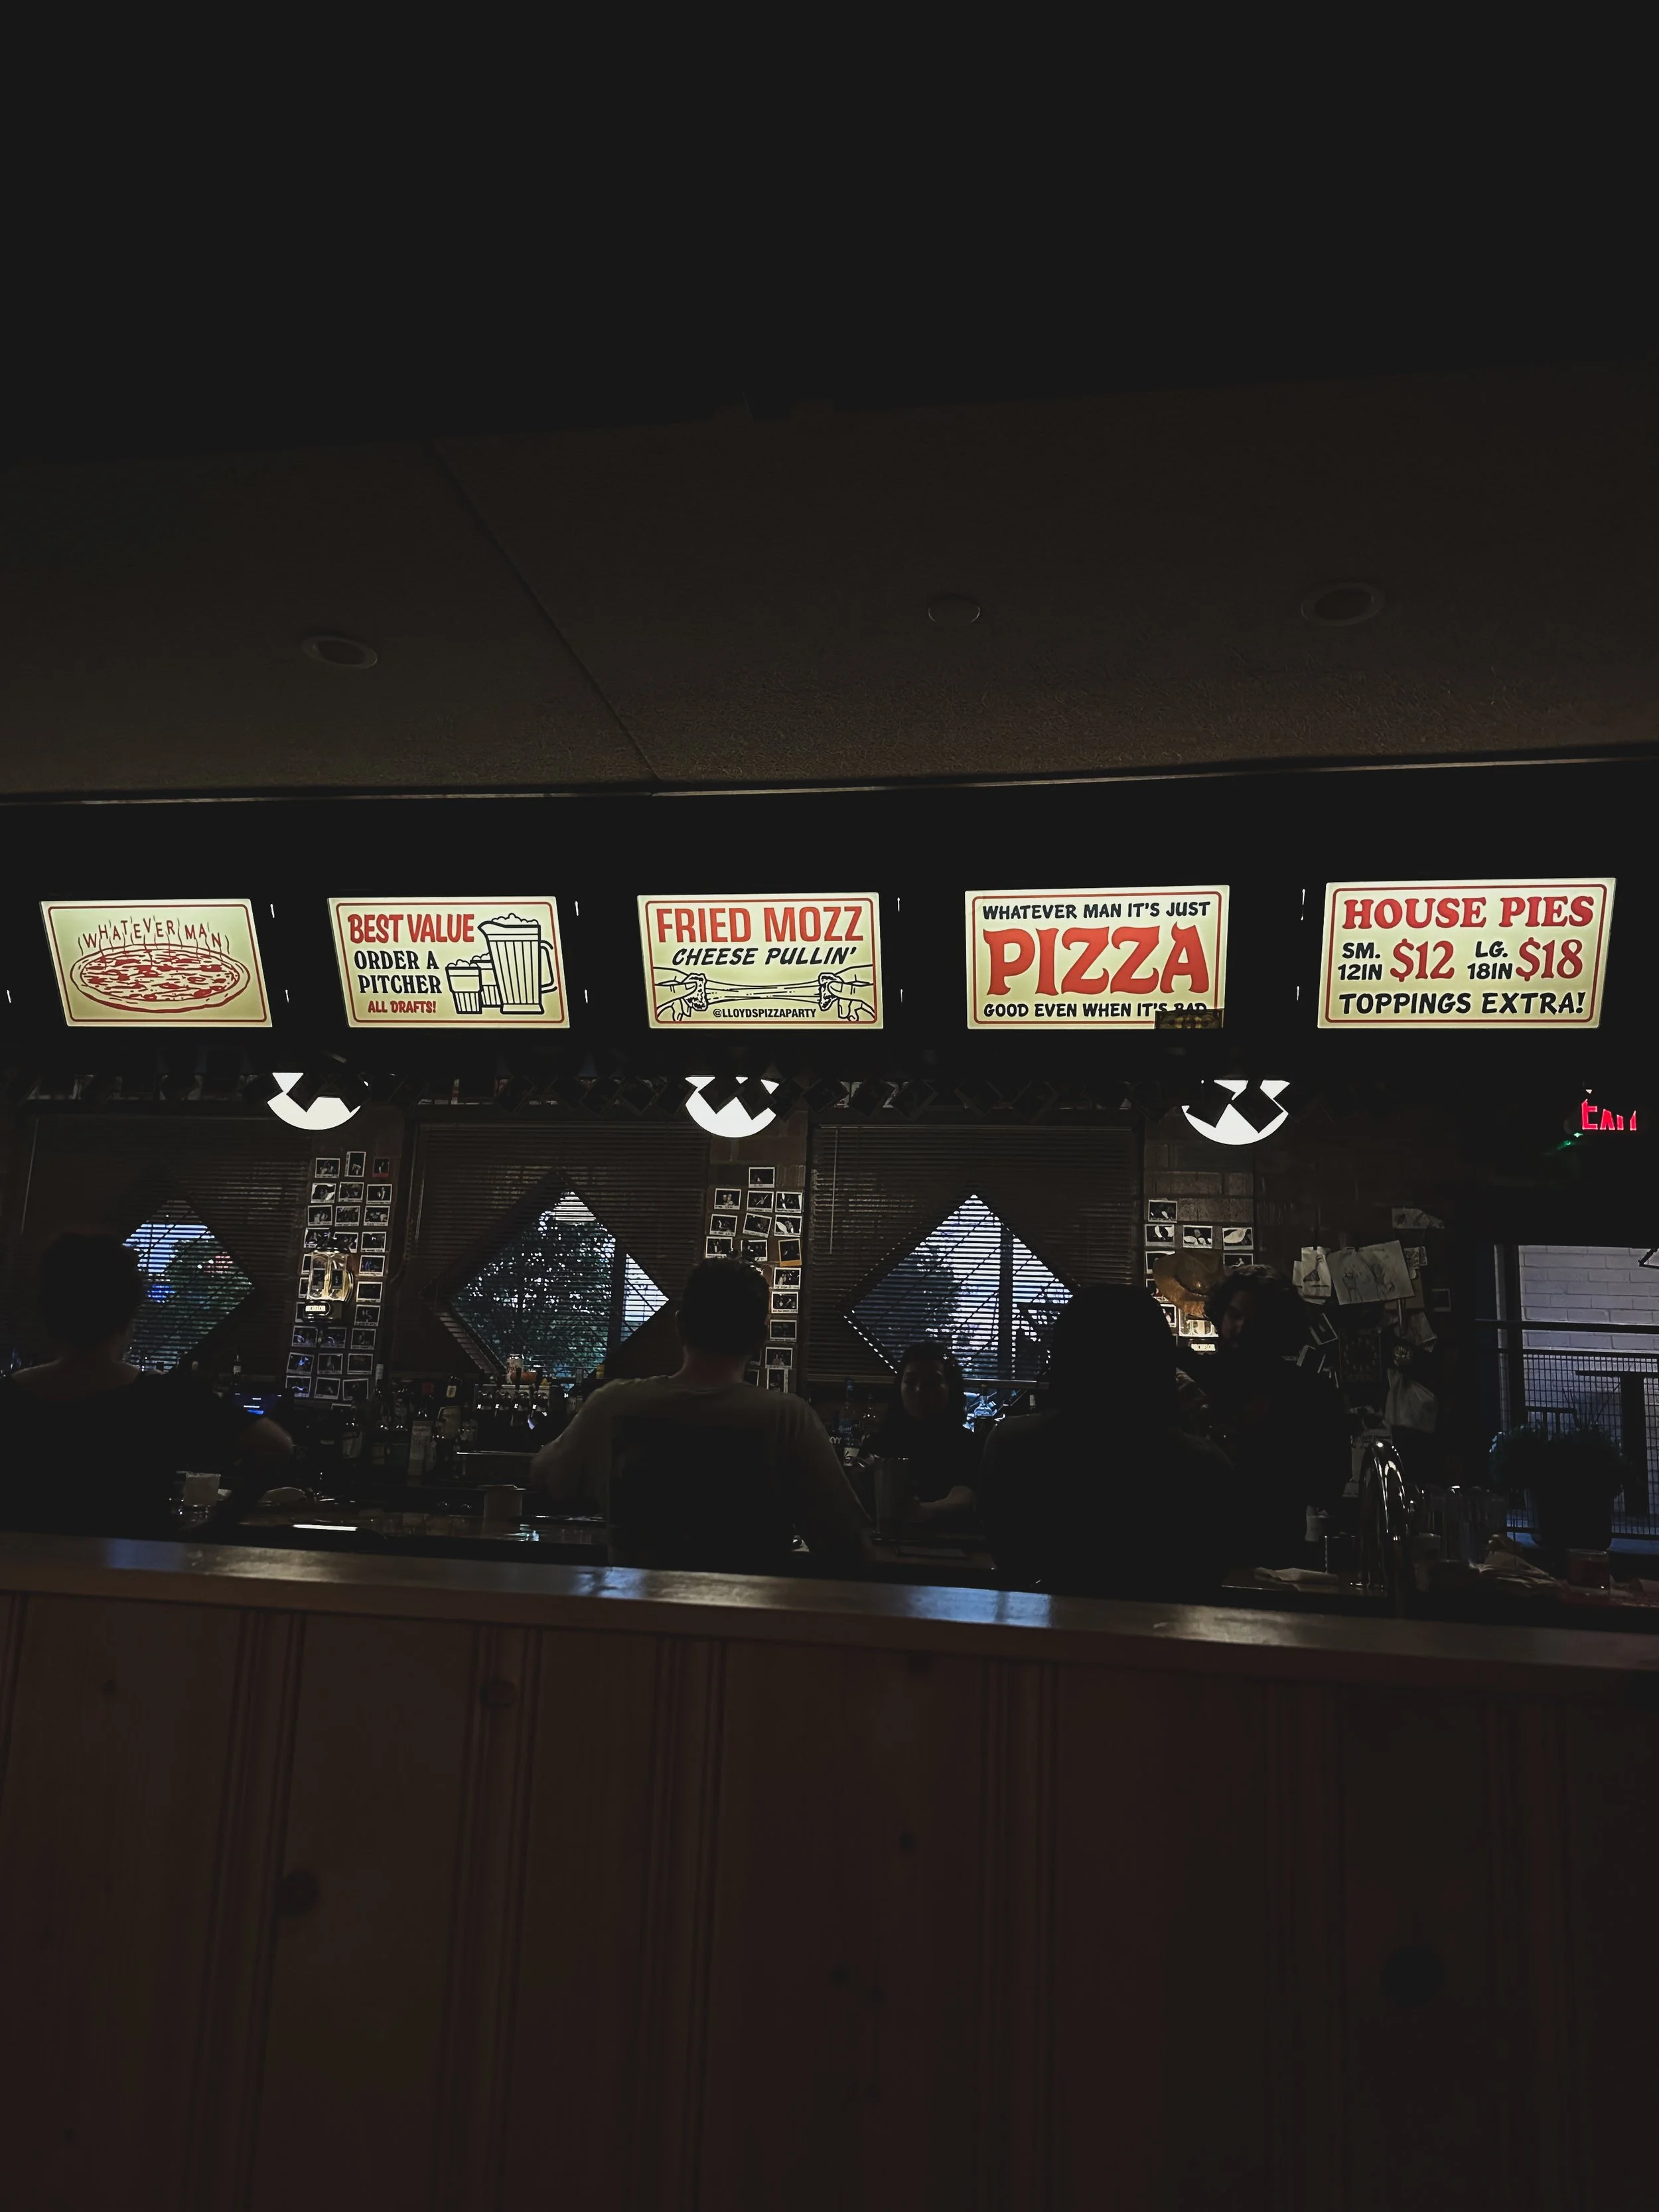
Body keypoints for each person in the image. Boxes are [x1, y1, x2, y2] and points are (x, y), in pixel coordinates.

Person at [528, 1259, 869, 1572]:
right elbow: (848, 1546)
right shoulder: (789, 1419)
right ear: (762, 1339)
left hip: (633, 1624)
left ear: (679, 1326)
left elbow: (544, 1479)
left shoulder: (612, 1403)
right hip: (746, 1628)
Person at [0, 1232, 295, 1538]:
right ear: (127, 1319)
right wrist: (213, 1529)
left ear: (49, 1315)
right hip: (132, 1577)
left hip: (21, 1575)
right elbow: (275, 1446)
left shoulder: (9, 1396)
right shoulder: (164, 1396)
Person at [981, 1284, 1238, 1600]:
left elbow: (1009, 1558)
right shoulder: (1203, 1465)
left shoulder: (1012, 1446)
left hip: (1043, 1636)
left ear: (1065, 1354)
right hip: (1160, 1639)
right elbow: (1207, 1573)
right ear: (1157, 1359)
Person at [1185, 1266, 1351, 1565]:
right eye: (1235, 1316)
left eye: (1257, 1322)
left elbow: (1330, 1486)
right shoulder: (1193, 1382)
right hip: (1195, 1557)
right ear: (1221, 1314)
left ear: (1277, 1329)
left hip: (1275, 1559)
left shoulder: (1310, 1394)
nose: (1242, 1329)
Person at [863, 1343, 981, 1524]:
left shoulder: (968, 1446)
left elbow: (966, 1496)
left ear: (950, 1388)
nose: (920, 1391)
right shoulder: (880, 1443)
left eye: (932, 1383)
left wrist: (922, 1512)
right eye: (910, 1382)